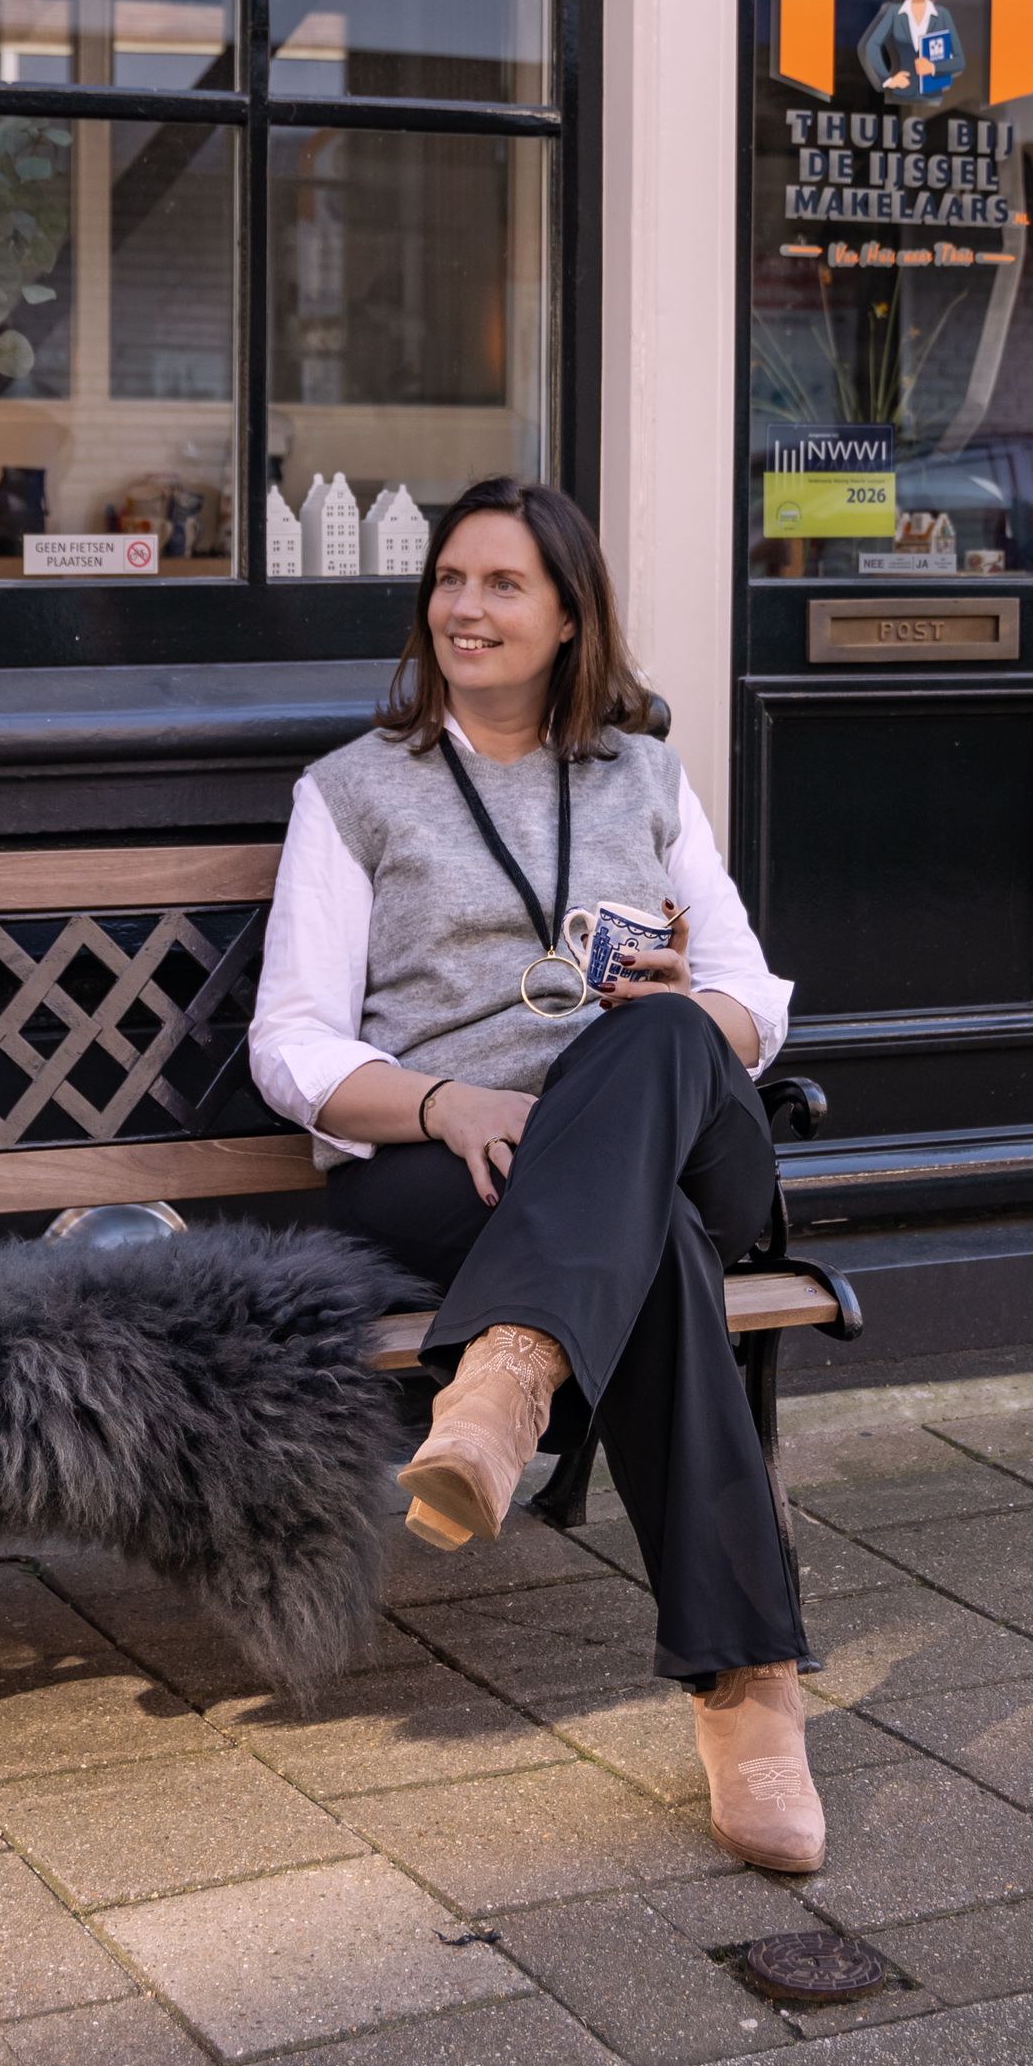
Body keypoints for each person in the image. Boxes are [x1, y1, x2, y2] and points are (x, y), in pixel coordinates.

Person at [249, 477, 824, 1874]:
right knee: (657, 1261)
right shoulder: (354, 793)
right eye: (450, 581)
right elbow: (291, 1044)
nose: (466, 608)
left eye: (504, 585)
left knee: (667, 1034)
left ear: (571, 616)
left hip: (669, 1138)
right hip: (456, 1162)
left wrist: (696, 1013)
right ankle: (750, 1692)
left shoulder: (643, 775)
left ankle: (506, 1377)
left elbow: (760, 999)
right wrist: (443, 1102)